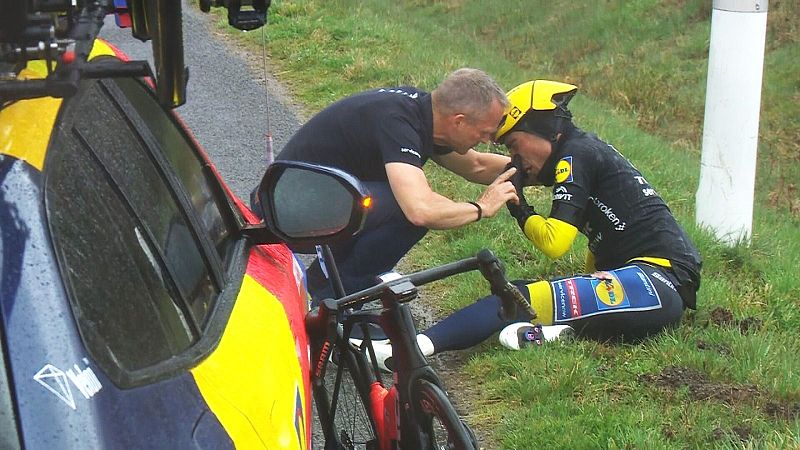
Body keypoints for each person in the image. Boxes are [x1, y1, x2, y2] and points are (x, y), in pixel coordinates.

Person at [364, 79, 702, 371]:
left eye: (514, 144)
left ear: (544, 130)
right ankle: (554, 336)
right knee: (532, 295)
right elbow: (606, 242)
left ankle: (410, 350)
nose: (514, 158)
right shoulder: (583, 151)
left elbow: (555, 243)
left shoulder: (574, 156)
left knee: (517, 297)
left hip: (656, 283)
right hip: (654, 291)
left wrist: (520, 207)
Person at [276, 68, 519, 303]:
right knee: (404, 211)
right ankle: (333, 303)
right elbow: (420, 210)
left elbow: (475, 165)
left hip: (301, 197)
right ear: (459, 122)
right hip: (285, 212)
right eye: (485, 132)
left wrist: (535, 169)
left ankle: (321, 289)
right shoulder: (398, 123)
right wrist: (482, 207)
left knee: (393, 202)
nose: (488, 140)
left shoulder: (425, 114)